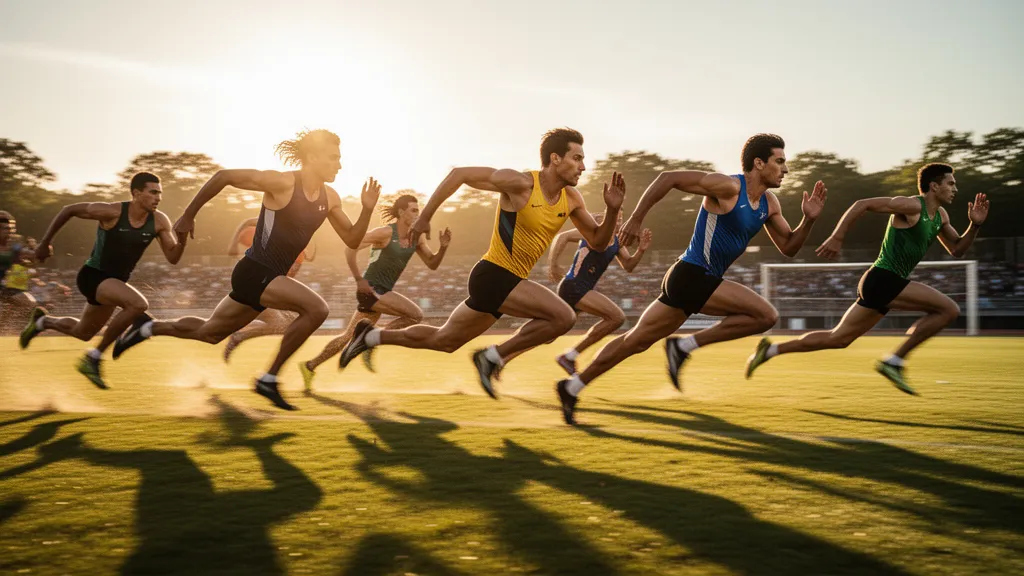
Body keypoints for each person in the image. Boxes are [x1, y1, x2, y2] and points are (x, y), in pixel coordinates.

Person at [555, 133, 826, 425]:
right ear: (759, 163)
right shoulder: (728, 187)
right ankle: (684, 346)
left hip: (693, 280)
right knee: (765, 315)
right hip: (692, 275)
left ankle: (573, 386)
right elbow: (667, 178)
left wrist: (809, 220)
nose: (785, 169)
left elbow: (788, 247)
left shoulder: (769, 204)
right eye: (780, 161)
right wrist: (636, 218)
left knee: (634, 341)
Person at [339, 128, 625, 398]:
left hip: (506, 283)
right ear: (555, 158)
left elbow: (598, 241)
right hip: (494, 275)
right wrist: (425, 215)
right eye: (577, 158)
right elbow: (459, 174)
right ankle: (492, 357)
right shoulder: (522, 183)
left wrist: (612, 210)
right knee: (563, 317)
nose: (583, 166)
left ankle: (372, 336)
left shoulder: (572, 199)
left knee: (445, 341)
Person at [110, 129, 381, 411]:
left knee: (210, 333)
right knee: (317, 310)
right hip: (254, 271)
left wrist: (366, 209)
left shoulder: (331, 197)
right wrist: (189, 214)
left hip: (265, 280)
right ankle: (269, 378)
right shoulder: (282, 182)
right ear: (312, 156)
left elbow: (352, 238)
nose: (339, 164)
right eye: (333, 158)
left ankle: (147, 327)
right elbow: (223, 176)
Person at [745, 163, 987, 395]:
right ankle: (894, 361)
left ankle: (770, 350)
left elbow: (956, 249)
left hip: (883, 285)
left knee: (838, 339)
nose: (955, 189)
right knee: (948, 309)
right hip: (883, 279)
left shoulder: (940, 216)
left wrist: (974, 225)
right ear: (934, 186)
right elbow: (862, 204)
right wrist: (838, 237)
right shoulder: (911, 206)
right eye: (950, 183)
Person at [20, 173, 188, 389]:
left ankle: (42, 321)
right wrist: (44, 244)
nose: (158, 197)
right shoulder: (112, 211)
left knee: (84, 332)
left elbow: (173, 257)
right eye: (153, 192)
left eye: (160, 193)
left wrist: (182, 238)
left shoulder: (159, 221)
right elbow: (68, 210)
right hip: (93, 276)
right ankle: (94, 357)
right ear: (137, 194)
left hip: (114, 283)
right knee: (138, 305)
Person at [298, 194, 452, 390]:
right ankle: (371, 340)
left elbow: (432, 263)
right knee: (415, 315)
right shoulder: (385, 233)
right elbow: (350, 248)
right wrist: (358, 280)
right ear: (401, 212)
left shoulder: (417, 237)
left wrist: (444, 247)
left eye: (418, 210)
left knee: (347, 337)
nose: (417, 214)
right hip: (370, 289)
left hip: (383, 292)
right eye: (413, 210)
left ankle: (310, 366)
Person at [502, 213, 652, 374]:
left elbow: (629, 266)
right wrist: (553, 264)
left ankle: (502, 359)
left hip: (583, 289)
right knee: (616, 317)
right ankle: (570, 356)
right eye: (616, 217)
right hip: (573, 285)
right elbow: (562, 236)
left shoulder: (618, 242)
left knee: (548, 334)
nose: (620, 222)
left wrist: (641, 250)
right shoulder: (592, 232)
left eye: (622, 218)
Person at [221, 216, 317, 362]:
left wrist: (312, 247)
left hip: (269, 288)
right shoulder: (280, 224)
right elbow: (247, 222)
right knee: (282, 323)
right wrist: (233, 243)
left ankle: (238, 334)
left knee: (283, 323)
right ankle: (238, 336)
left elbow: (306, 258)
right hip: (260, 284)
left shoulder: (300, 243)